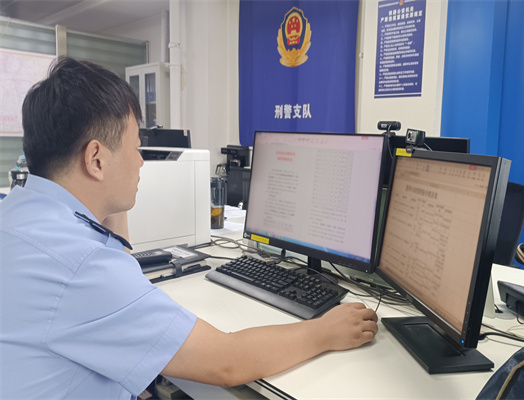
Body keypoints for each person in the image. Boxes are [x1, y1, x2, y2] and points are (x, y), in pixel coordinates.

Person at [0, 57, 378, 399]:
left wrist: (107, 198)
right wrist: (324, 331)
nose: (140, 163)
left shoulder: (19, 213)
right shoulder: (83, 266)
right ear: (95, 159)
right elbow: (227, 362)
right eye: (135, 148)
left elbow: (116, 258)